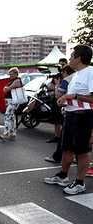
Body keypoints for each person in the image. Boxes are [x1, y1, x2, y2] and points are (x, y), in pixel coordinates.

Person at [44, 44, 93, 194]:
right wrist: (65, 101)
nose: (69, 59)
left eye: (72, 56)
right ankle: (63, 176)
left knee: (81, 151)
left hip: (83, 116)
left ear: (78, 58)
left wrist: (73, 96)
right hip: (71, 115)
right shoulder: (76, 74)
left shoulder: (90, 72)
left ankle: (79, 182)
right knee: (67, 148)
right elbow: (71, 96)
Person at [44, 65, 75, 163]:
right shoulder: (79, 77)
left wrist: (57, 84)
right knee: (77, 138)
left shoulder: (68, 80)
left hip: (71, 111)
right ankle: (76, 158)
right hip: (80, 111)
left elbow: (57, 95)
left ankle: (57, 157)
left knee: (65, 137)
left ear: (65, 73)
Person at [46, 58, 69, 143]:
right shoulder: (57, 76)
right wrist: (57, 86)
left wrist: (58, 87)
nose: (61, 66)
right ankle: (57, 136)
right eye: (60, 65)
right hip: (56, 99)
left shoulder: (69, 75)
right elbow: (50, 86)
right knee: (56, 118)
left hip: (66, 100)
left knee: (65, 119)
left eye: (63, 64)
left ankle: (64, 136)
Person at [0, 67, 22, 141]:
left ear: (16, 74)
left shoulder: (17, 80)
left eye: (11, 74)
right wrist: (6, 88)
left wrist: (7, 88)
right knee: (11, 117)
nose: (10, 76)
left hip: (13, 101)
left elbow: (8, 88)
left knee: (7, 115)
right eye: (9, 74)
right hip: (9, 101)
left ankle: (6, 133)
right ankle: (12, 133)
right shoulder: (11, 80)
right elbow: (6, 88)